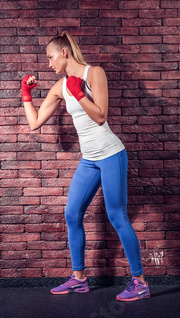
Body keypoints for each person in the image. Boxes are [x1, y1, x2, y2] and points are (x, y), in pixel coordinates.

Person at [20, 32, 149, 302]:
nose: (49, 63)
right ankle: (79, 279)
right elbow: (35, 122)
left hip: (111, 155)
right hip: (89, 160)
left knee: (117, 216)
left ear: (64, 52)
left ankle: (140, 282)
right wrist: (26, 95)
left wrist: (79, 93)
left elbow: (101, 116)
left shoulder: (95, 73)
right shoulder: (60, 87)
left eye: (51, 56)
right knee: (72, 213)